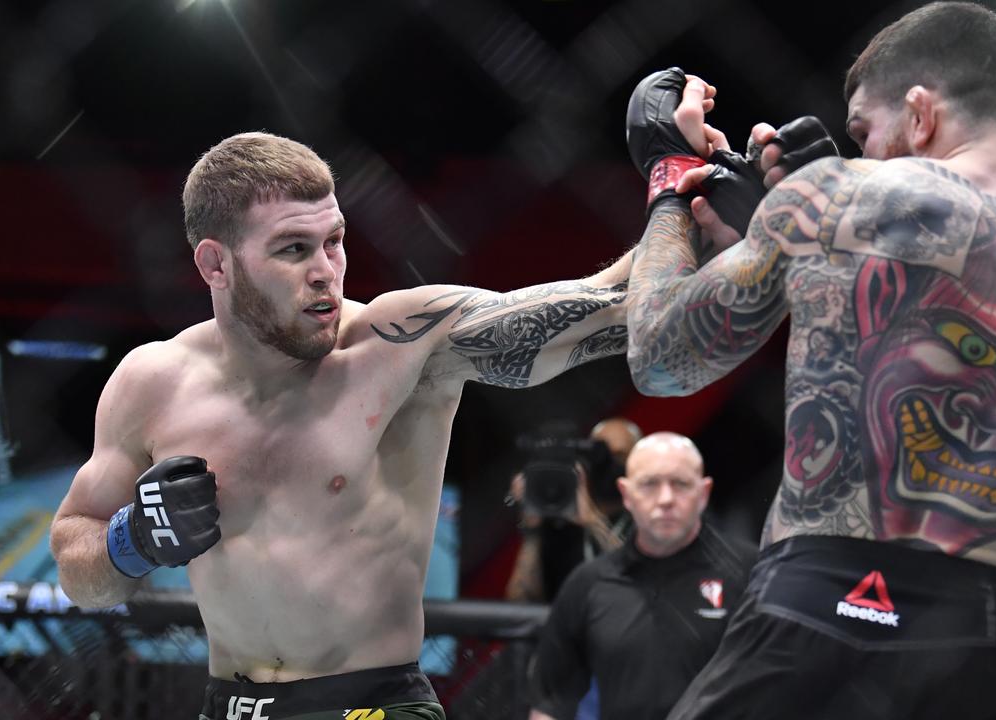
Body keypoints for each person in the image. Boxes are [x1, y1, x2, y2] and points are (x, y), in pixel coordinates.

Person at [622, 4, 996, 719]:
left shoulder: (839, 196)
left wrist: (672, 182)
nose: (865, 155)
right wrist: (798, 235)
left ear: (920, 111)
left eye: (864, 133)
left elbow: (661, 359)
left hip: (816, 614)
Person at [47, 131, 648, 720]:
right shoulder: (152, 382)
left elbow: (609, 306)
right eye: (292, 249)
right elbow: (80, 572)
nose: (325, 271)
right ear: (215, 264)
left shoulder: (401, 345)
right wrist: (133, 540)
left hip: (373, 706)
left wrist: (680, 194)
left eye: (333, 241)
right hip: (227, 704)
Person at [527, 433, 757, 720]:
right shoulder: (589, 584)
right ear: (626, 494)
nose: (665, 499)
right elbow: (551, 701)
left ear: (704, 492)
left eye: (681, 484)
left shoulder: (752, 574)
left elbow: (790, 685)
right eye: (649, 484)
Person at [505, 417, 643, 603]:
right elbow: (518, 602)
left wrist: (593, 521)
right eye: (600, 453)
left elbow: (646, 584)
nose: (608, 463)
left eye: (618, 455)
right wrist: (533, 530)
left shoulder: (647, 519)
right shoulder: (560, 518)